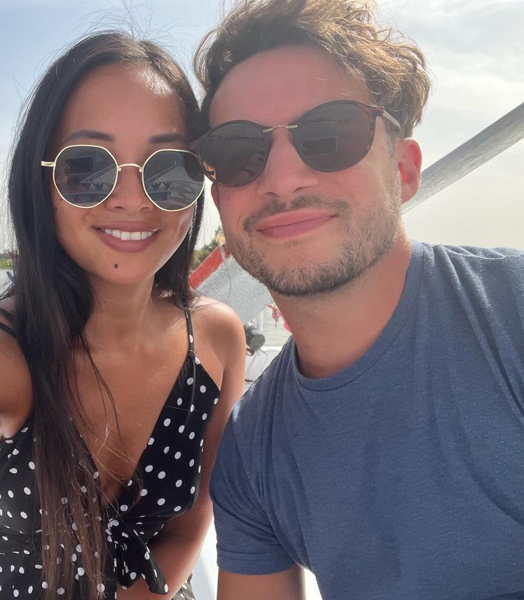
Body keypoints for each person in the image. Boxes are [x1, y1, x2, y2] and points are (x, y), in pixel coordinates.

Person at [191, 1, 524, 598]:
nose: (282, 179)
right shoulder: (251, 452)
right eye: (239, 152)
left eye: (330, 134)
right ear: (221, 202)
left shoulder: (512, 314)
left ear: (404, 170)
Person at [0, 31, 245, 600]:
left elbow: (189, 525)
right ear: (41, 180)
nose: (133, 199)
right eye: (88, 167)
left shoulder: (217, 338)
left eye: (169, 169)